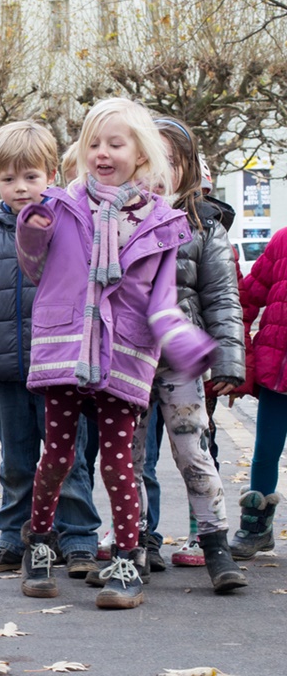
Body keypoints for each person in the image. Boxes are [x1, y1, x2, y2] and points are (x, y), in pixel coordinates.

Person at [16, 97, 216, 610]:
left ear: (141, 153)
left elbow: (164, 300)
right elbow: (36, 268)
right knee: (58, 457)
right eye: (93, 144)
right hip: (66, 347)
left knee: (119, 460)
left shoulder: (163, 223)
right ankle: (38, 543)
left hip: (123, 351)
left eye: (115, 143)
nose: (102, 153)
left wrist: (189, 344)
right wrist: (30, 232)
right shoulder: (60, 206)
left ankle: (126, 559)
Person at [0, 122, 101, 579]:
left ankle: (77, 537)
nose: (20, 187)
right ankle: (14, 534)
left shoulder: (72, 229)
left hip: (60, 370)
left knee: (69, 458)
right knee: (16, 459)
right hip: (8, 371)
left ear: (52, 174)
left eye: (31, 176)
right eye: (8, 178)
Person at [124, 117, 247, 593]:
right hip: (128, 359)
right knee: (127, 459)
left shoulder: (205, 227)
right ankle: (133, 545)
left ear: (187, 169)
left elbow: (223, 297)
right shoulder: (116, 222)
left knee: (193, 451)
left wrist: (230, 361)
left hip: (181, 360)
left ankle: (215, 544)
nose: (157, 172)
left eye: (170, 163)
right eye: (148, 160)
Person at [234, 224, 287, 559]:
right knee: (266, 450)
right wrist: (241, 356)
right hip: (278, 369)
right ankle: (257, 527)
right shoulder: (283, 240)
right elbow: (244, 299)